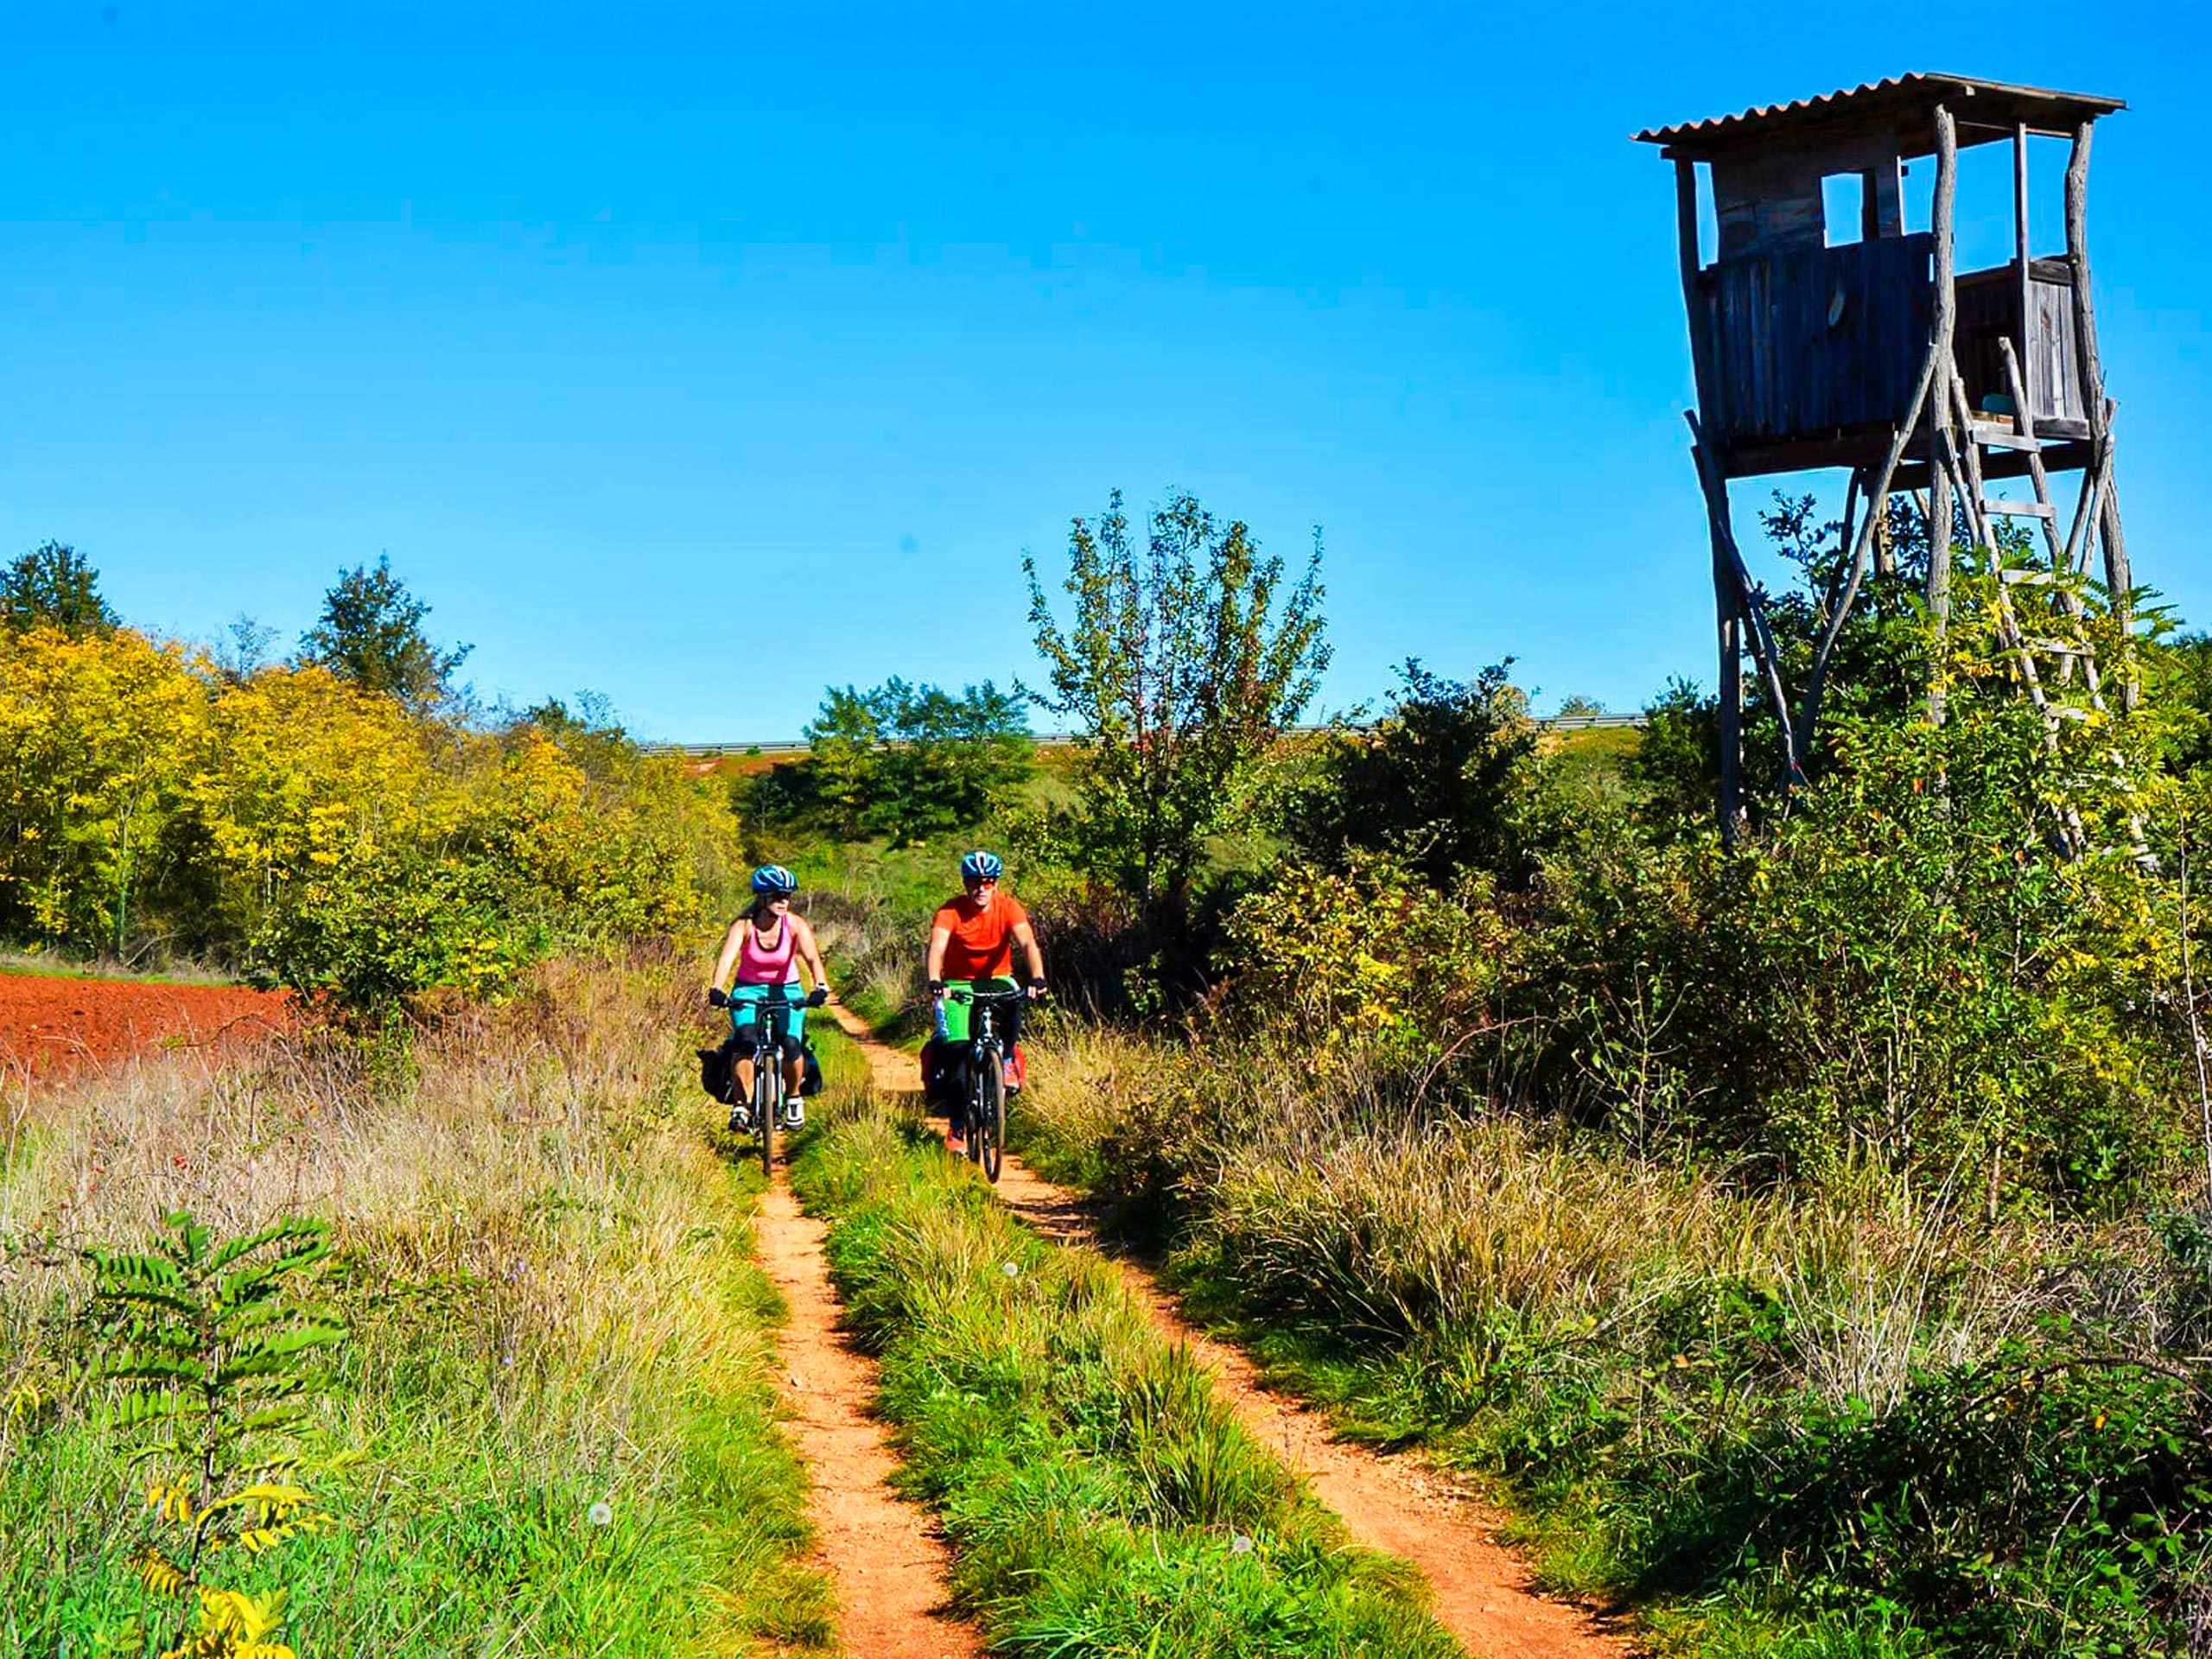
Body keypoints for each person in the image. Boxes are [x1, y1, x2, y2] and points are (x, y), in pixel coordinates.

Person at [925, 849, 1046, 1139]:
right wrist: (935, 980)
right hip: (958, 984)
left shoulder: (1009, 907)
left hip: (996, 979)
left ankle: (1005, 1060)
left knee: (1015, 995)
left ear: (996, 884)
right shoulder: (949, 912)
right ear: (966, 883)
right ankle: (956, 1128)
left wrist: (1038, 977)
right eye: (975, 882)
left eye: (988, 882)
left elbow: (1027, 942)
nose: (981, 888)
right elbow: (937, 948)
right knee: (957, 1053)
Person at [709, 864, 830, 1129]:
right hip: (748, 990)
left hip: (787, 989)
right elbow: (726, 959)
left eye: (787, 895)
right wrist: (717, 989)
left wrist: (821, 986)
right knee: (745, 1042)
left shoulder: (795, 925)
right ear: (762, 899)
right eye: (776, 896)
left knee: (791, 1044)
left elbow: (812, 958)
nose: (783, 901)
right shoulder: (744, 926)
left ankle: (794, 1098)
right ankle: (741, 1106)